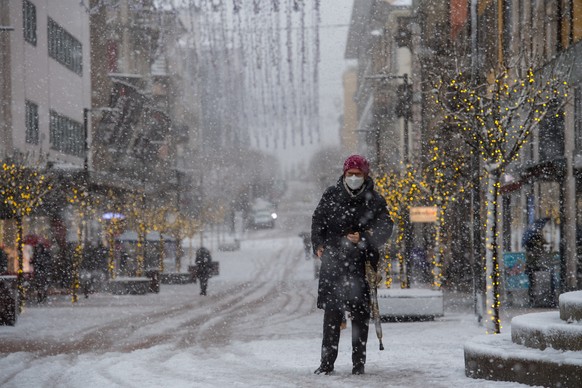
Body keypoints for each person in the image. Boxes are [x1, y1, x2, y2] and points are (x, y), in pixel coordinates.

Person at [311, 154, 393, 376]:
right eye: (350, 174)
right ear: (344, 174)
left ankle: (359, 363)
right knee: (332, 316)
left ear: (365, 175)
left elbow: (386, 228)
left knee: (359, 318)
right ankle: (327, 363)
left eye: (357, 174)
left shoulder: (375, 200)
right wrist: (318, 244)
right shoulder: (331, 196)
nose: (353, 178)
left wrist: (365, 239)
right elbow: (318, 220)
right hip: (334, 264)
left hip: (360, 266)